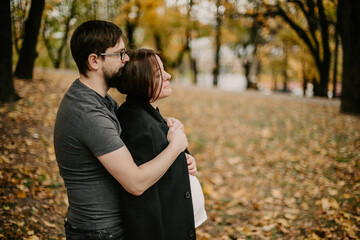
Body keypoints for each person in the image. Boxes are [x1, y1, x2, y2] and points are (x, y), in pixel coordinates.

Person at [54, 20, 196, 239]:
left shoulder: (97, 100)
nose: (127, 58)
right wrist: (176, 146)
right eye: (119, 54)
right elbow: (136, 183)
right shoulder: (88, 113)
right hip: (100, 232)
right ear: (94, 60)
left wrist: (163, 124)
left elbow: (130, 125)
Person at [116, 49, 207, 240]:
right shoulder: (137, 124)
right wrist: (177, 146)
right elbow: (143, 204)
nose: (168, 76)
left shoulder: (150, 115)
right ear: (140, 80)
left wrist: (185, 161)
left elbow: (162, 160)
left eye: (164, 70)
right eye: (158, 74)